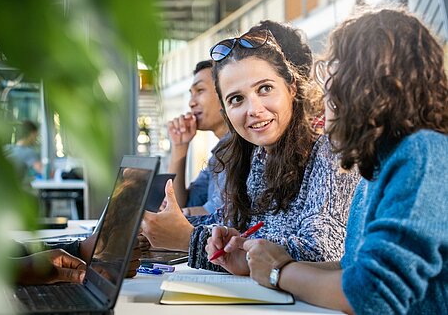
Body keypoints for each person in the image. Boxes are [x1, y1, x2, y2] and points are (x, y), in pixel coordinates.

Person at [208, 8, 448, 314]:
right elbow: (353, 268)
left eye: (336, 70)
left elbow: (371, 293)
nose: (327, 86)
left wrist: (279, 272)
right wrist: (263, 262)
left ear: (376, 85)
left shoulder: (423, 155)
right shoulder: (378, 166)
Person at [141, 20, 361, 271]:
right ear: (226, 111)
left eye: (265, 88)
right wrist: (157, 228)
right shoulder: (260, 154)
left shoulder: (330, 151)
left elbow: (322, 252)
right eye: (237, 99)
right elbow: (237, 224)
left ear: (291, 88)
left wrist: (188, 239)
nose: (254, 110)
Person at [167, 60, 228, 217]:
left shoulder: (247, 149)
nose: (191, 103)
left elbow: (219, 213)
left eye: (200, 90)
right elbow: (179, 203)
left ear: (226, 93)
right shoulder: (218, 156)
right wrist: (179, 145)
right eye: (191, 94)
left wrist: (172, 217)